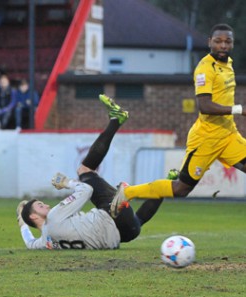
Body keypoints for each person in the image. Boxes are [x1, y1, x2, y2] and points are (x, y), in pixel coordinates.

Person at [110, 23, 246, 218]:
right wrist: (240, 110)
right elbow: (205, 106)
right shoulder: (205, 68)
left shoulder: (228, 64)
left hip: (229, 136)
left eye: (227, 41)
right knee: (182, 189)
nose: (223, 45)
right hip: (206, 139)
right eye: (218, 41)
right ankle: (127, 192)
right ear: (210, 42)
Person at [17, 95, 165, 250]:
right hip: (113, 217)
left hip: (126, 234)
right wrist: (66, 182)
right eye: (40, 205)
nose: (46, 204)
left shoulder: (46, 243)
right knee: (84, 171)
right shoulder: (54, 216)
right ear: (34, 216)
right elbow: (86, 190)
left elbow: (29, 243)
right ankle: (116, 119)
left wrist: (22, 223)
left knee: (137, 221)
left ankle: (164, 188)